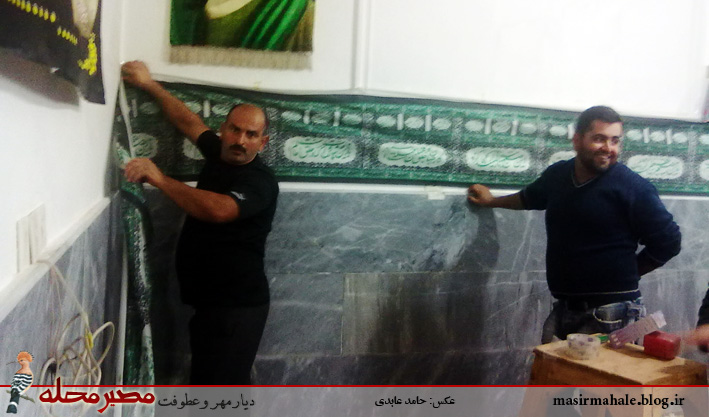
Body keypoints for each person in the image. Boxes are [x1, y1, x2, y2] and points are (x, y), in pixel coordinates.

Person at [121, 61, 278, 384]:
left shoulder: (259, 181)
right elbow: (187, 120)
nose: (240, 140)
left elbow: (220, 209)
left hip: (237, 309)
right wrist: (148, 84)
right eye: (235, 129)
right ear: (223, 129)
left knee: (220, 390)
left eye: (251, 135)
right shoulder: (220, 153)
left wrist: (160, 179)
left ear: (262, 143)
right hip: (211, 304)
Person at [467, 106, 681, 343]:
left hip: (613, 313)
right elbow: (529, 198)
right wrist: (491, 201)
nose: (608, 148)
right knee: (551, 367)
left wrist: (629, 272)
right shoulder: (558, 175)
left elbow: (670, 241)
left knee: (596, 371)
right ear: (577, 140)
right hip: (565, 308)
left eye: (615, 140)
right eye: (599, 139)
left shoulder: (633, 187)